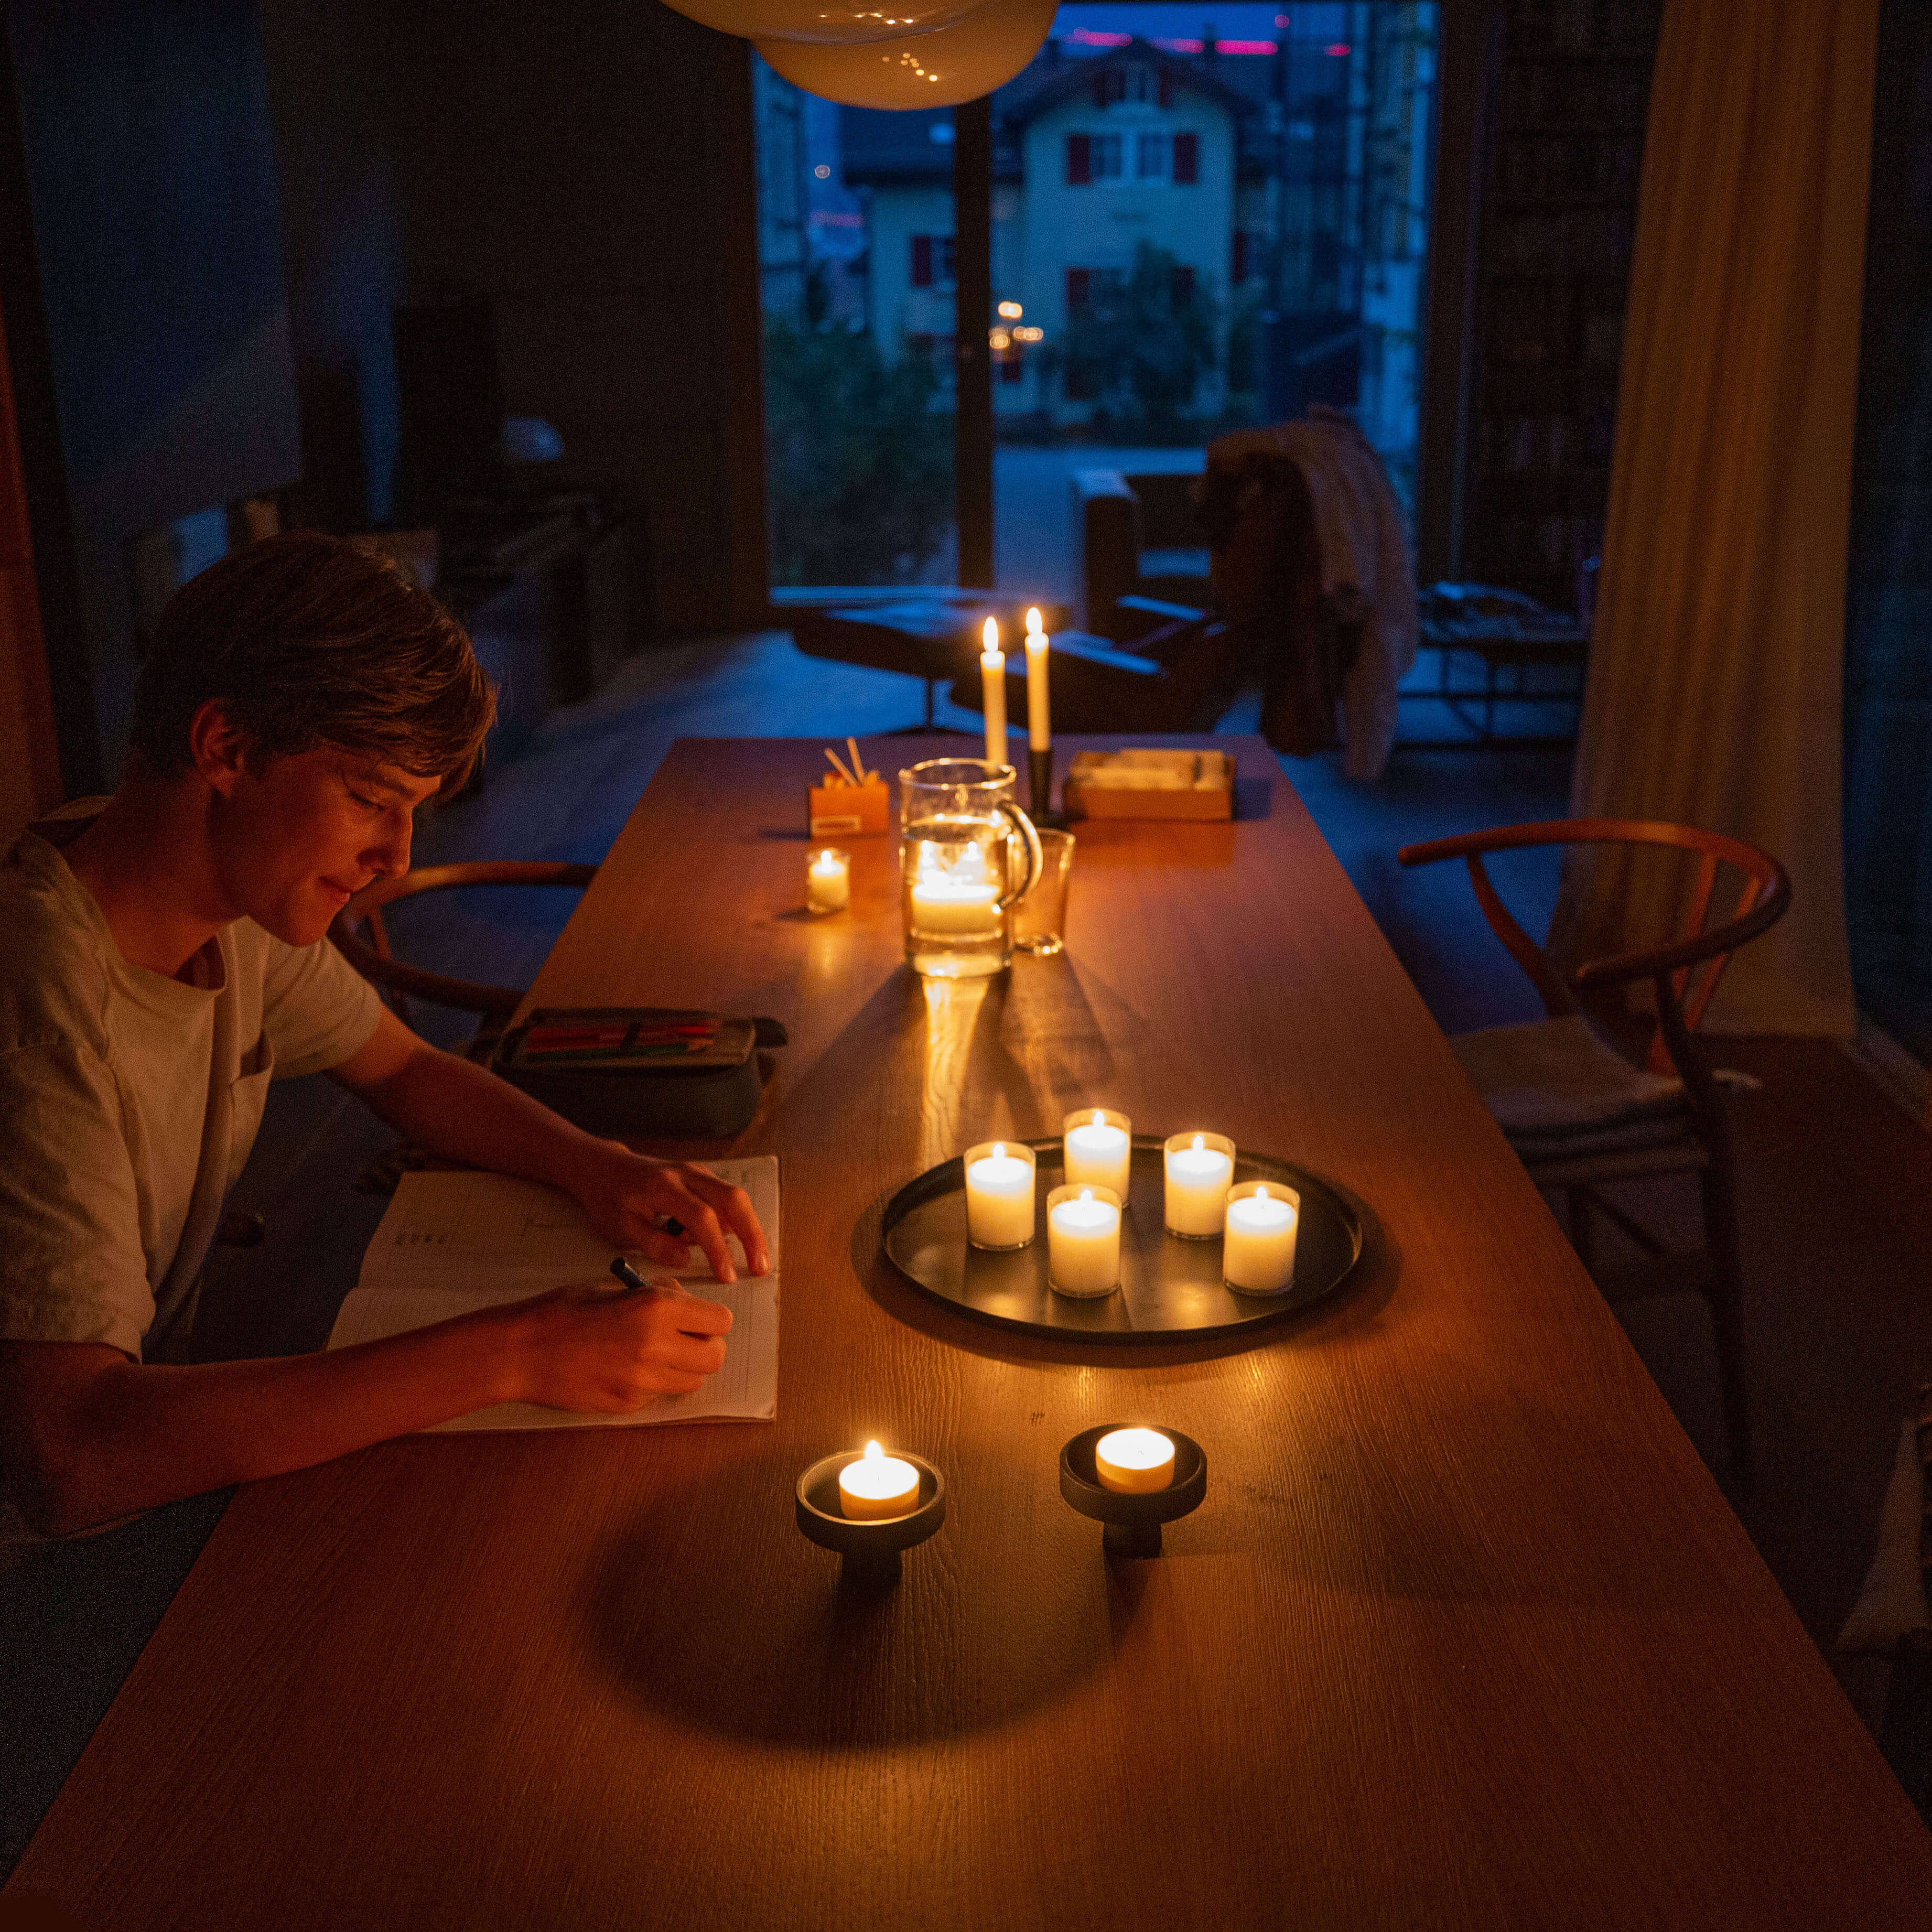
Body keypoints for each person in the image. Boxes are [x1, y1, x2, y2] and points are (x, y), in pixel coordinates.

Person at [0, 532, 770, 1537]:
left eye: (412, 810)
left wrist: (597, 1165)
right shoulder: (40, 1012)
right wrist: (518, 1351)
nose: (397, 855)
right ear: (225, 747)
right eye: (370, 799)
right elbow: (75, 1454)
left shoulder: (213, 889)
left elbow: (402, 1067)